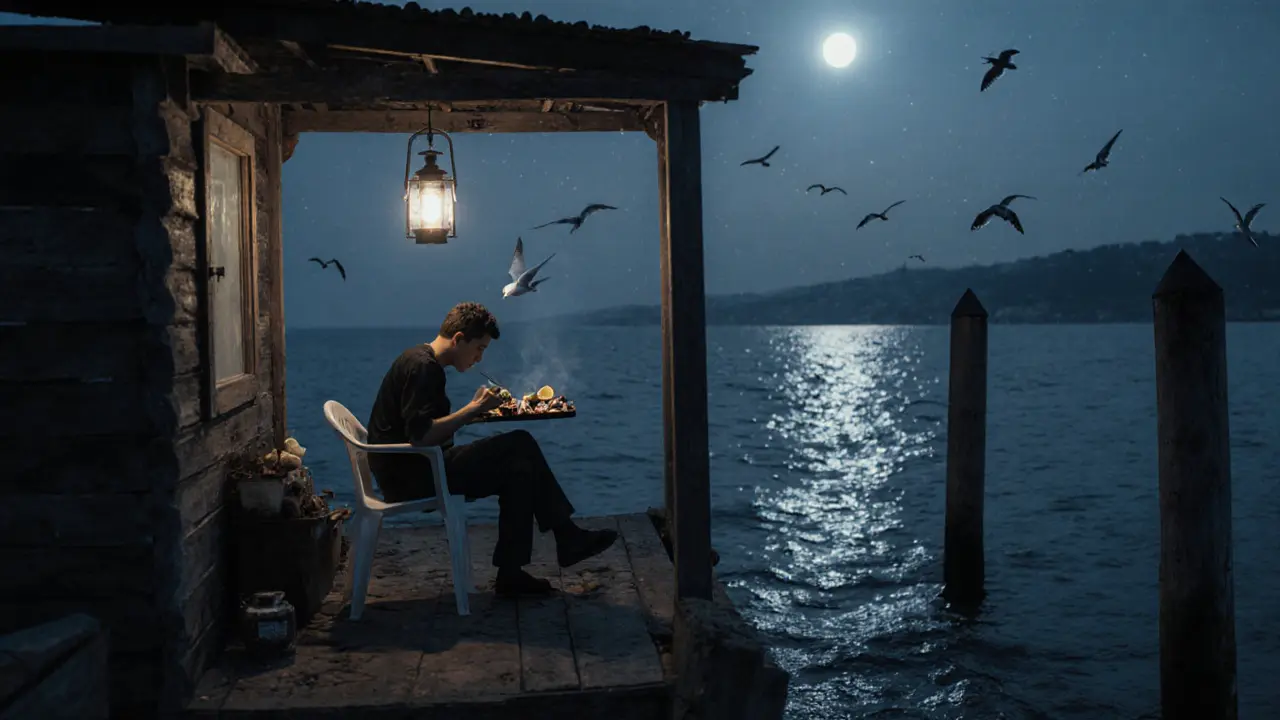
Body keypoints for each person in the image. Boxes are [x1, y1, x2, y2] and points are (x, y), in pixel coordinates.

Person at [366, 301, 617, 597]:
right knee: (520, 443)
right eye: (479, 348)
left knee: (518, 469)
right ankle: (565, 537)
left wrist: (476, 412)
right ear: (459, 339)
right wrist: (472, 410)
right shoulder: (424, 368)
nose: (478, 358)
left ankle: (515, 572)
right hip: (414, 478)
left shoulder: (419, 359)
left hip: (412, 469)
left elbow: (424, 428)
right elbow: (422, 437)